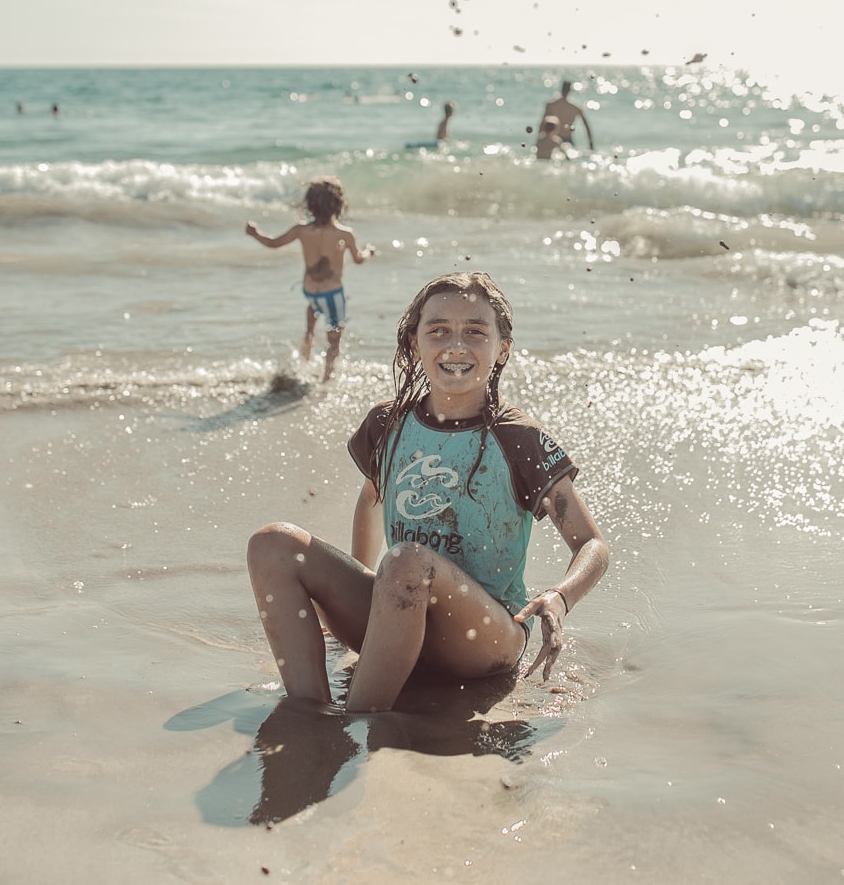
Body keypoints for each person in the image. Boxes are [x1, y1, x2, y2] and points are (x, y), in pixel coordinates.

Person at [245, 271, 610, 712]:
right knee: (272, 544)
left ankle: (358, 719)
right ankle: (308, 713)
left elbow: (591, 544)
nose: (456, 345)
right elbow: (371, 500)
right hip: (396, 612)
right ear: (415, 344)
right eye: (438, 330)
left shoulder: (519, 438)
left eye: (475, 332)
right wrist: (354, 591)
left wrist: (561, 597)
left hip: (485, 638)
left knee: (406, 560)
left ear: (502, 350)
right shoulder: (387, 425)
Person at [246, 176, 375, 382]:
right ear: (339, 204)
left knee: (314, 307)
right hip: (332, 295)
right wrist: (369, 251)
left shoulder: (301, 230)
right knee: (334, 339)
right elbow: (358, 259)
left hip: (309, 290)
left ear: (310, 205)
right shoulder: (345, 234)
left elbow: (272, 243)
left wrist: (255, 233)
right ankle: (326, 379)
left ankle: (307, 340)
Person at [540, 79, 593, 151]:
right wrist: (590, 143)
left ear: (561, 89)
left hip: (554, 138)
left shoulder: (551, 105)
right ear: (569, 90)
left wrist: (540, 139)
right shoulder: (575, 107)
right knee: (570, 160)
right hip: (568, 138)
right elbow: (586, 126)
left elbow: (543, 123)